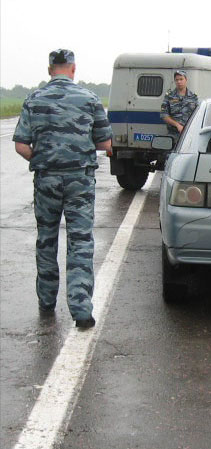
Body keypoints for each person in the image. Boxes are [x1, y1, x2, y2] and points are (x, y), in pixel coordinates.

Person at [13, 49, 113, 329]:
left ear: (49, 70)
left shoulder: (34, 99)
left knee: (46, 239)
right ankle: (81, 311)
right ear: (73, 69)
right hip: (79, 181)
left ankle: (46, 301)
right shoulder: (90, 99)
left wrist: (44, 157)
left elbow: (22, 145)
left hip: (46, 180)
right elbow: (105, 144)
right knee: (80, 242)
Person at [160, 69, 199, 141]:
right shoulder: (169, 96)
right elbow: (164, 115)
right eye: (176, 80)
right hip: (173, 135)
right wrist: (177, 125)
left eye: (181, 79)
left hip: (189, 134)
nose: (179, 82)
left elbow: (197, 115)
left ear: (186, 80)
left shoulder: (193, 97)